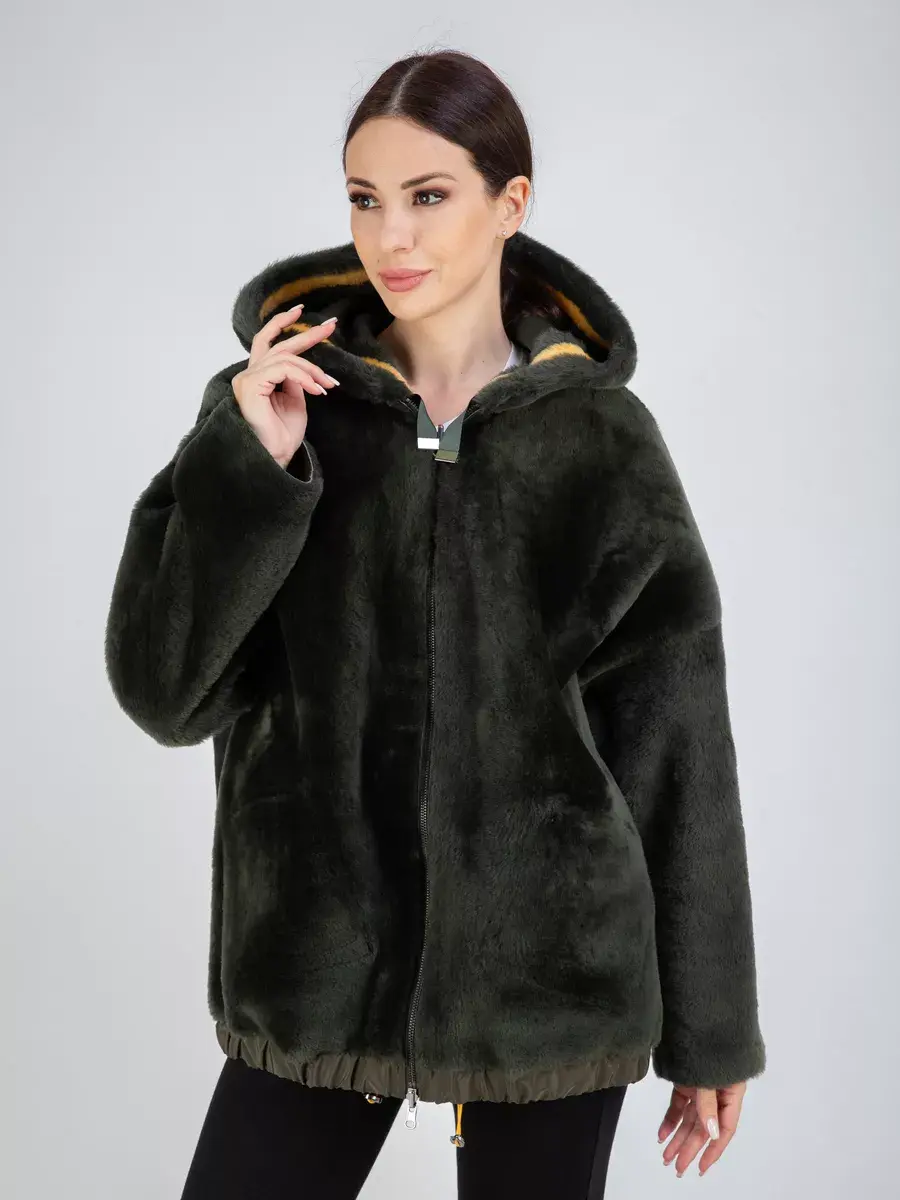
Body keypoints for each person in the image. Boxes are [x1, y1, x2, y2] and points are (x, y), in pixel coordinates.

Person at [104, 48, 766, 1199]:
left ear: (511, 203)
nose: (391, 237)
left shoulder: (603, 443)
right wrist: (253, 472)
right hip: (315, 965)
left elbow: (677, 740)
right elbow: (167, 696)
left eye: (428, 195)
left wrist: (713, 1029)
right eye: (365, 198)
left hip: (550, 985)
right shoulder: (277, 406)